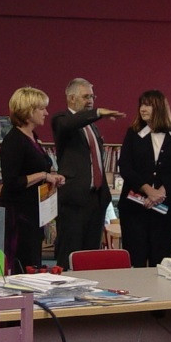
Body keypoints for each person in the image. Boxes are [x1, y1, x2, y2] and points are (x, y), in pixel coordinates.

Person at [51, 78, 125, 269]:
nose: (91, 100)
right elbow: (70, 125)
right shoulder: (61, 120)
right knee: (70, 252)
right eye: (86, 96)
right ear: (71, 98)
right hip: (74, 200)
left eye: (92, 96)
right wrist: (98, 113)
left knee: (90, 255)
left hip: (96, 199)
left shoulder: (92, 125)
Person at [117, 90, 171, 267]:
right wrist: (148, 190)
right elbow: (125, 167)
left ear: (160, 107)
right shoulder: (133, 133)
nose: (143, 109)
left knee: (161, 259)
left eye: (148, 104)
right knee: (136, 258)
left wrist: (161, 192)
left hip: (167, 209)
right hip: (135, 207)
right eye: (141, 104)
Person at [0, 86, 64, 272]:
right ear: (28, 112)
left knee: (34, 260)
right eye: (41, 108)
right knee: (23, 262)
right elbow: (11, 182)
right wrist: (43, 176)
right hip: (19, 215)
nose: (46, 112)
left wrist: (52, 176)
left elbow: (39, 166)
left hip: (35, 212)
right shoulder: (14, 140)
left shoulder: (33, 137)